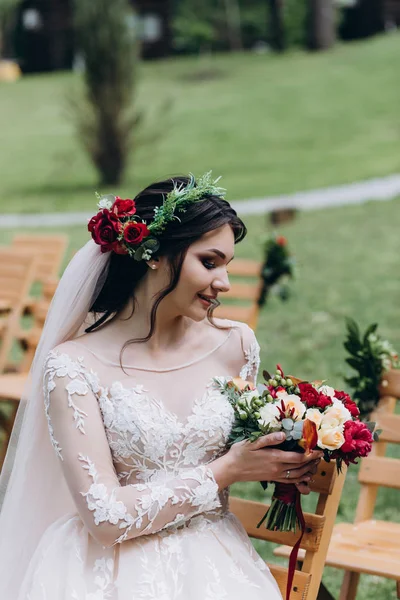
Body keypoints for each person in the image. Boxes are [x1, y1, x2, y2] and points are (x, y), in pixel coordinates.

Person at [0, 173, 321, 599]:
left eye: (226, 264)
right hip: (107, 569)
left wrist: (289, 458)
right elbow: (106, 518)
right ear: (154, 255)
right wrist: (228, 470)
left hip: (215, 562)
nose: (224, 282)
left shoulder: (237, 345)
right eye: (209, 262)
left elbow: (243, 449)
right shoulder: (73, 366)